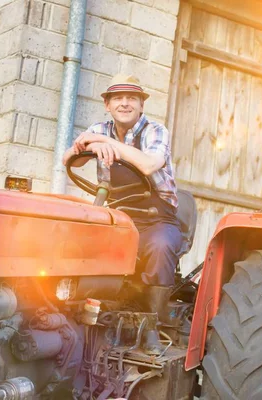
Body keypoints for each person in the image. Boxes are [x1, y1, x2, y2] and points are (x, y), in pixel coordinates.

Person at [62, 74, 182, 290]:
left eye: (131, 98)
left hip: (157, 220)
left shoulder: (155, 131)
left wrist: (105, 142)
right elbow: (69, 160)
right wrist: (90, 147)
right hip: (118, 217)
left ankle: (154, 316)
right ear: (107, 105)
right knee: (77, 243)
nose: (124, 103)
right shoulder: (98, 129)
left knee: (160, 247)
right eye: (118, 98)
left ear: (141, 105)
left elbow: (148, 164)